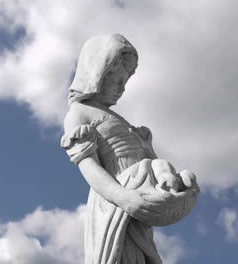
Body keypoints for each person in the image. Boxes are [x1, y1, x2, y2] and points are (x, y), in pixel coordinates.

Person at [61, 34, 198, 264]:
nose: (122, 88)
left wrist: (150, 153)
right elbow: (88, 166)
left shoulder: (121, 121)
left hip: (139, 199)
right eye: (117, 81)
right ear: (98, 74)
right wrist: (124, 198)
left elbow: (150, 163)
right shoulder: (79, 112)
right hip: (114, 201)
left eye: (126, 82)